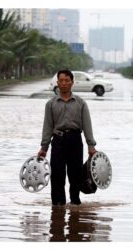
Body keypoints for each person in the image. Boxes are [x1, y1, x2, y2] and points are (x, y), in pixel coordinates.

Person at [37, 69, 97, 206]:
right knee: (57, 175)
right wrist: (44, 147)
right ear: (57, 83)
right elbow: (47, 127)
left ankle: (75, 203)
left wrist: (91, 146)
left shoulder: (80, 103)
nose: (64, 83)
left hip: (75, 141)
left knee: (75, 175)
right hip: (58, 142)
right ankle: (58, 206)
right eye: (61, 81)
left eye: (67, 81)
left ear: (72, 83)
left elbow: (87, 125)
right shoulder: (51, 104)